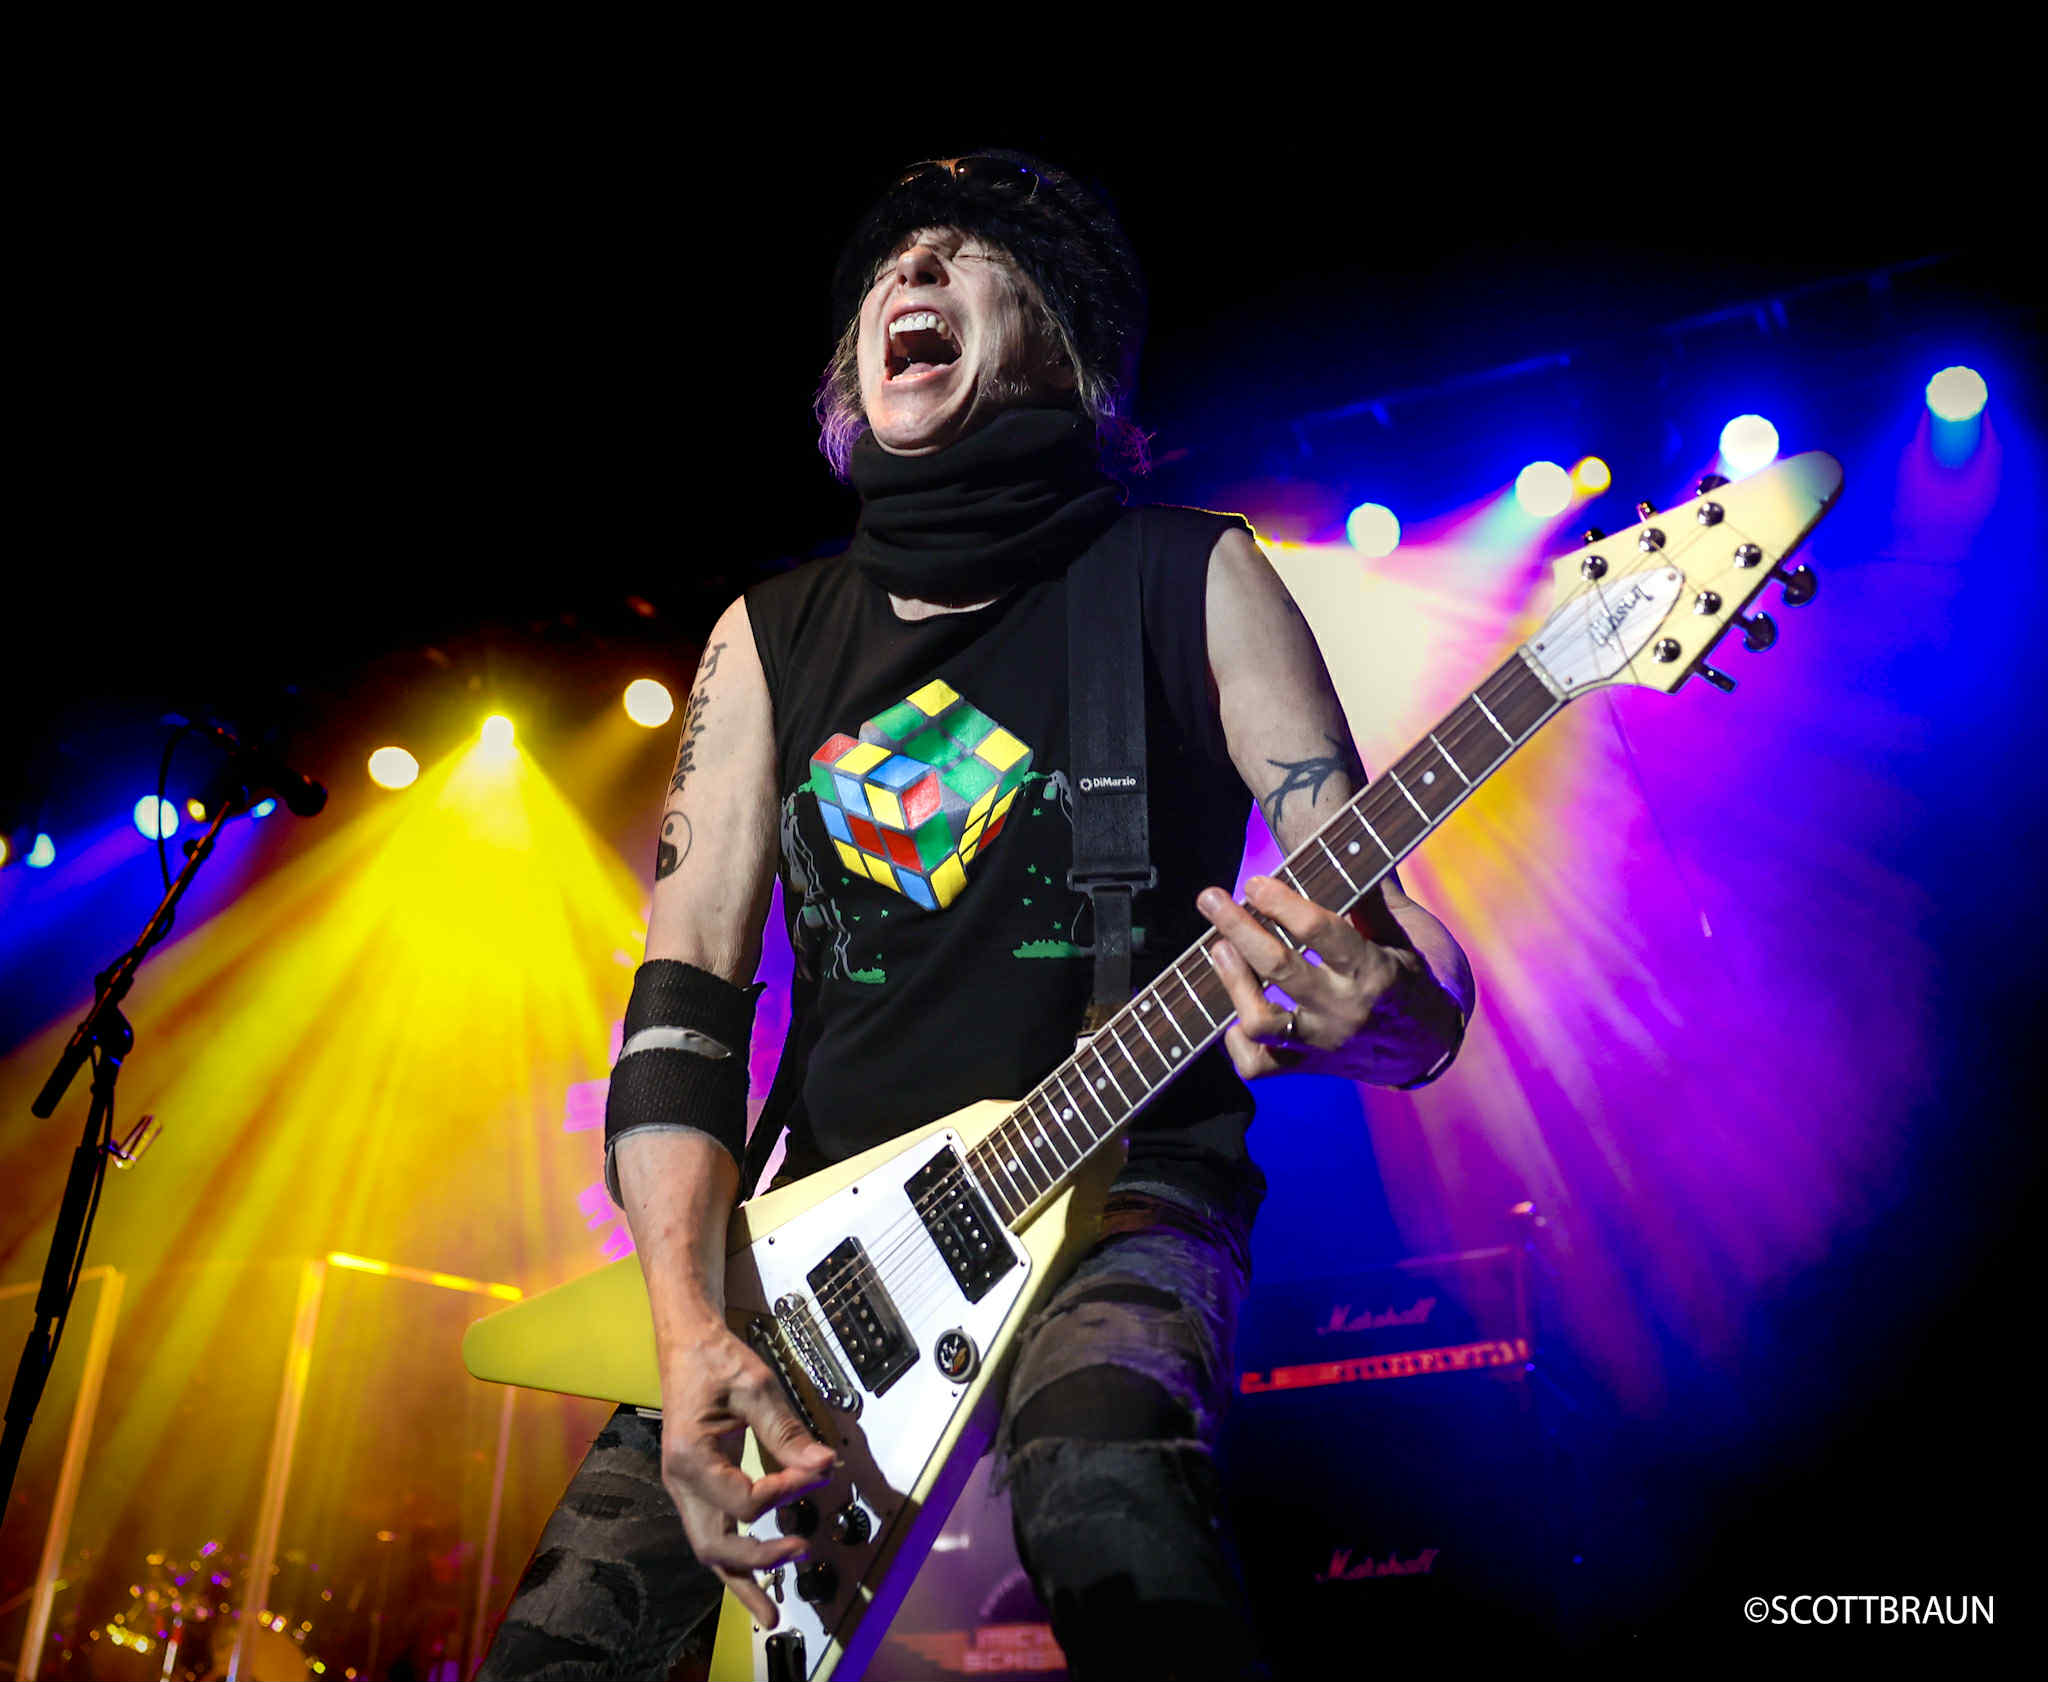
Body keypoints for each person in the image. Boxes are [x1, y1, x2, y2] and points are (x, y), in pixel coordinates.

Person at [479, 150, 1473, 1682]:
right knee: (566, 1644)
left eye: (962, 249)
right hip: (823, 1247)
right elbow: (681, 1008)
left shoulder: (1189, 573)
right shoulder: (766, 636)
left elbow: (1391, 923)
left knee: (1113, 1488)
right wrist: (686, 1324)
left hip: (1127, 1181)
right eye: (891, 259)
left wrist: (1404, 1019)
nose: (911, 271)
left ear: (1060, 332)